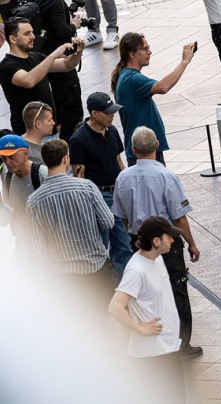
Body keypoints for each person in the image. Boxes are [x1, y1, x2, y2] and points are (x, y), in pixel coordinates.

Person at [112, 126, 202, 359]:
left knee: (148, 295)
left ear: (132, 150)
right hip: (166, 243)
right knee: (177, 290)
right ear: (157, 146)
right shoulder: (167, 176)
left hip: (139, 242)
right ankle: (182, 344)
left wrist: (133, 238)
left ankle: (156, 335)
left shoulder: (123, 178)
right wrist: (191, 243)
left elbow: (122, 216)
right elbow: (179, 217)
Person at [108, 216, 186, 404]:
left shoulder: (157, 260)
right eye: (169, 237)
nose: (172, 240)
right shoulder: (136, 271)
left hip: (168, 347)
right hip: (153, 354)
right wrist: (140, 329)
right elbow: (115, 307)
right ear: (156, 241)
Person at [27, 139, 114, 303]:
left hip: (63, 277)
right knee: (103, 314)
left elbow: (38, 247)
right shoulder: (87, 187)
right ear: (65, 159)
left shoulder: (34, 200)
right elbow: (108, 221)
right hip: (95, 266)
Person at [69, 92, 133, 278]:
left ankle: (125, 286)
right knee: (102, 246)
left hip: (116, 193)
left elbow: (118, 161)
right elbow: (79, 176)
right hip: (98, 197)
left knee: (123, 244)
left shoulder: (112, 131)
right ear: (94, 113)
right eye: (108, 112)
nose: (112, 115)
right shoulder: (79, 139)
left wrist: (125, 187)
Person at [111, 33, 194, 166]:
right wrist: (184, 62)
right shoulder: (132, 79)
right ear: (132, 54)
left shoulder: (125, 76)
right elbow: (163, 87)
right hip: (144, 153)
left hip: (144, 151)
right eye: (145, 49)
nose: (149, 52)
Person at [0, 17, 81, 135]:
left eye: (32, 32)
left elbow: (66, 65)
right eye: (27, 34)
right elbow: (28, 80)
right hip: (29, 134)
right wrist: (54, 55)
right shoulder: (7, 66)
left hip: (49, 129)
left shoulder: (35, 56)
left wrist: (78, 52)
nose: (33, 37)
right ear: (13, 39)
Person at [36, 0, 85, 142]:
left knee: (58, 102)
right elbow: (62, 31)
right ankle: (71, 144)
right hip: (60, 58)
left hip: (48, 56)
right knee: (71, 105)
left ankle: (61, 143)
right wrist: (74, 25)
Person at [0, 134, 48, 257]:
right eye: (3, 158)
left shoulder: (42, 174)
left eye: (12, 157)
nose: (7, 162)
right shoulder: (7, 177)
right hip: (23, 245)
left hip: (47, 245)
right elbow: (8, 208)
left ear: (25, 153)